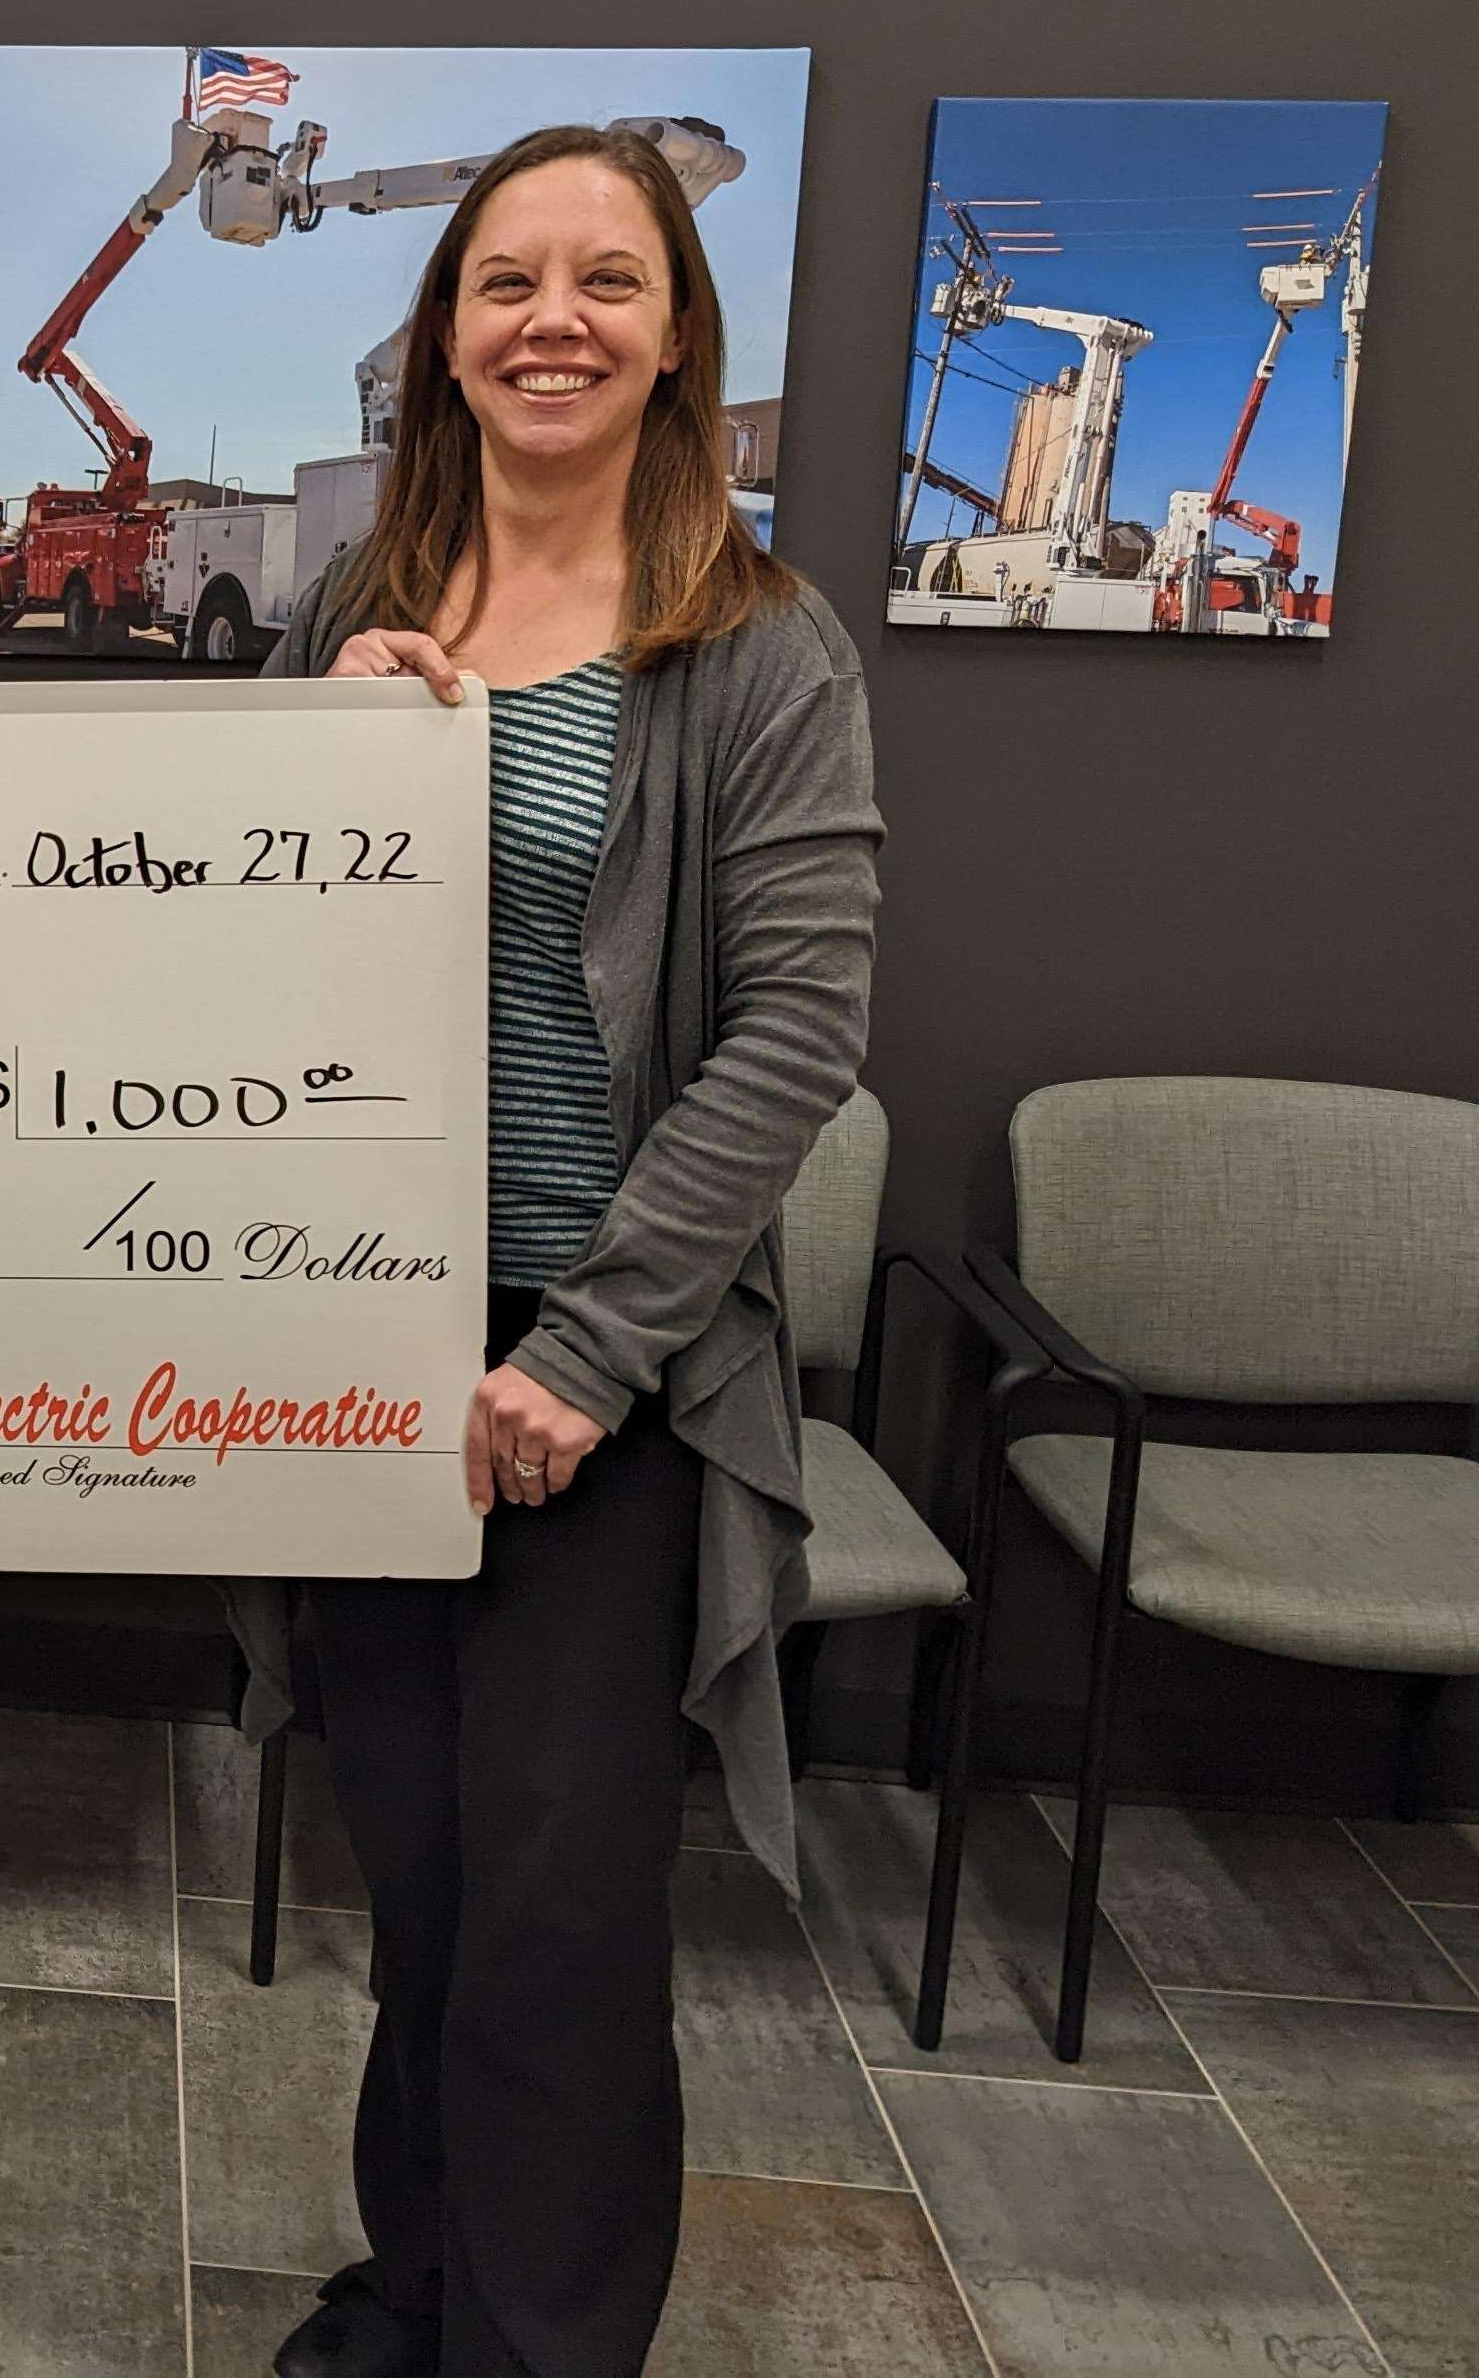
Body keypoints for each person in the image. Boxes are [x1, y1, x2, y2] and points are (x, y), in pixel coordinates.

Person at [262, 124, 878, 2378]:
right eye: (507, 280)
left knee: (557, 1915)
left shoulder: (756, 647)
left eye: (606, 281)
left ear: (676, 334)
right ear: (442, 332)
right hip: (362, 1352)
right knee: (418, 1885)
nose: (553, 319)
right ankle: (415, 2283)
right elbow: (222, 951)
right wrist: (298, 762)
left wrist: (593, 1354)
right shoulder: (353, 622)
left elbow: (805, 1030)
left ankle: (537, 2344)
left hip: (595, 1380)